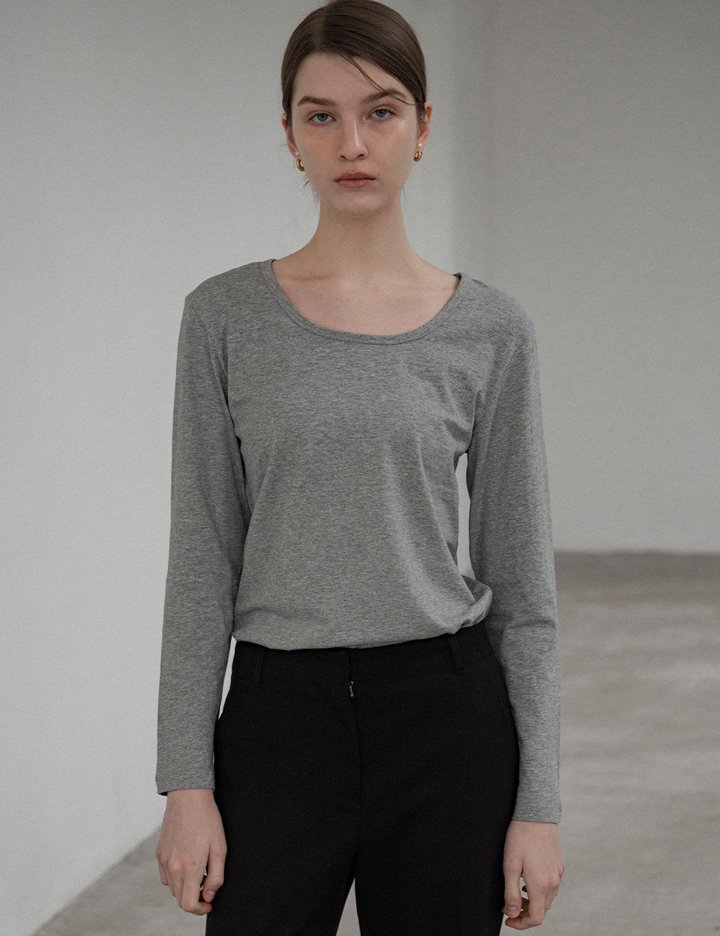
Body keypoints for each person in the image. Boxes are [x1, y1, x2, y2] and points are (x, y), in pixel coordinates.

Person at [155, 1, 565, 933]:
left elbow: (523, 584)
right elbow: (202, 560)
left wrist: (538, 804)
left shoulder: (491, 329)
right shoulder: (224, 318)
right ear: (290, 135)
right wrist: (186, 781)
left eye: (380, 111)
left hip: (447, 724)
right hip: (277, 722)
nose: (352, 143)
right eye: (321, 115)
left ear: (422, 128)